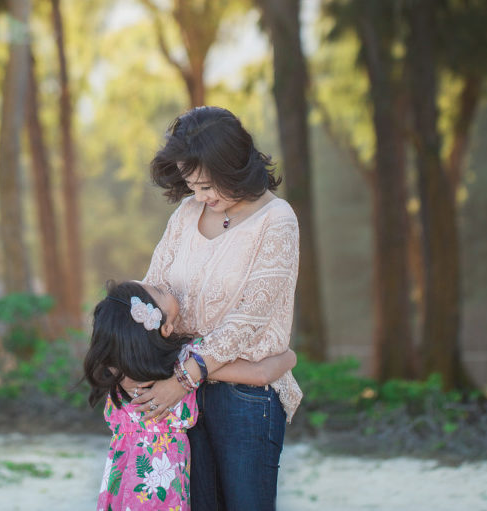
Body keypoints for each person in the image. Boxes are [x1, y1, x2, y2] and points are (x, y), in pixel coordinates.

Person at [132, 105, 303, 511]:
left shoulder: (276, 221)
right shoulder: (187, 213)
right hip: (187, 397)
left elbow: (246, 322)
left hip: (245, 399)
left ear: (235, 167)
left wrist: (183, 378)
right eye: (193, 185)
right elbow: (153, 289)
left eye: (208, 185)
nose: (201, 197)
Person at [84, 280, 297, 511]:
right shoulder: (182, 365)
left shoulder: (117, 376)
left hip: (121, 492)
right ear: (165, 328)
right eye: (158, 291)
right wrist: (291, 357)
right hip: (161, 495)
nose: (162, 284)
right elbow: (262, 374)